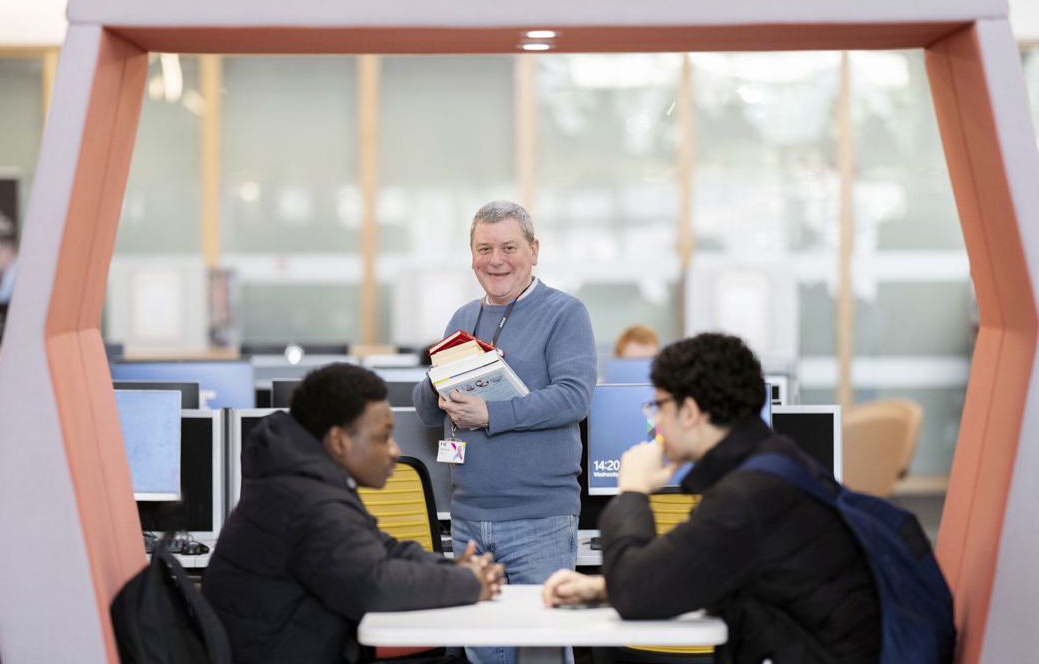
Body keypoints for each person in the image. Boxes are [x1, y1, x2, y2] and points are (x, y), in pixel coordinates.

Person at [542, 333, 881, 664]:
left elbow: (637, 595)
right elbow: (696, 568)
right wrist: (605, 587)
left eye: (659, 406)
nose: (655, 420)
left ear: (689, 412)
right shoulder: (775, 464)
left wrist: (631, 491)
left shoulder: (748, 495)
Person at [204, 363, 504, 664]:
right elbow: (374, 586)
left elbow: (381, 548)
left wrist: (451, 570)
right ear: (338, 441)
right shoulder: (306, 500)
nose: (394, 451)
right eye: (383, 437)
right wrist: (469, 584)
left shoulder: (304, 478)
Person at [413, 200, 597, 664]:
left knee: (544, 653)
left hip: (540, 519)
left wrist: (493, 415)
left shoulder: (565, 313)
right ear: (472, 254)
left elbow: (575, 397)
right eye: (484, 248)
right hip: (470, 518)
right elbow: (424, 410)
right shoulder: (462, 318)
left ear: (534, 251)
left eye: (509, 247)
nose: (495, 260)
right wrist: (438, 385)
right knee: (484, 654)